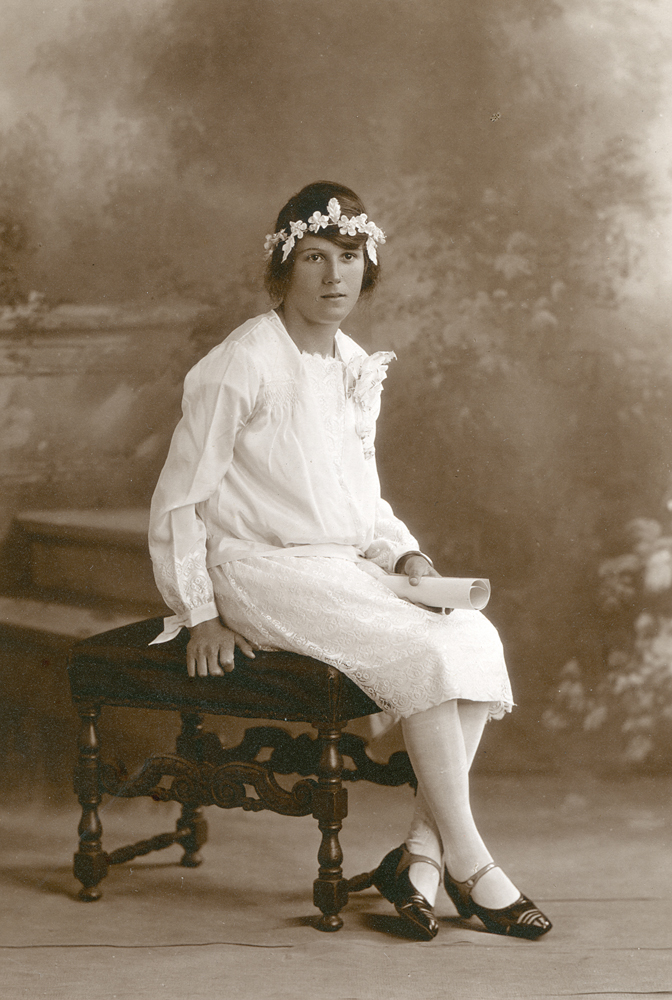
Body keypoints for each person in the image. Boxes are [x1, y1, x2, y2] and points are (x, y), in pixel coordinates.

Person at [148, 180, 552, 941]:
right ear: (283, 268)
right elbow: (179, 500)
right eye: (314, 258)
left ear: (367, 266)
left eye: (349, 256)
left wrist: (404, 553)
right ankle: (471, 862)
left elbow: (359, 501)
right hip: (259, 572)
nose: (335, 276)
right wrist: (198, 611)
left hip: (338, 567)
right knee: (425, 651)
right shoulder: (241, 364)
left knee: (471, 634)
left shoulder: (353, 365)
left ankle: (421, 860)